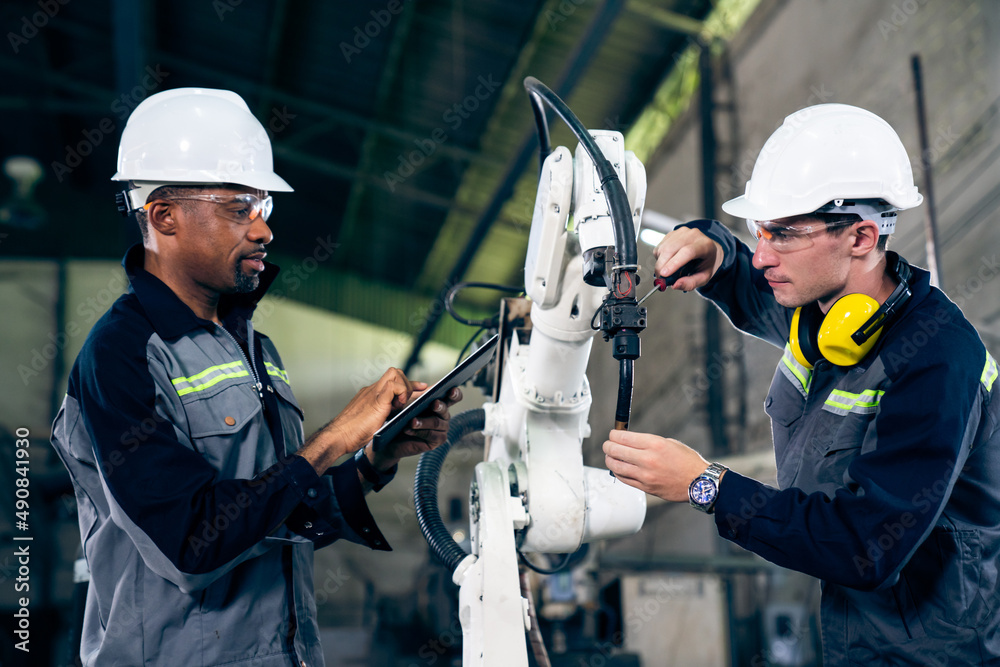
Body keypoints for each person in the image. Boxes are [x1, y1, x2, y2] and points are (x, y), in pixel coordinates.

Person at [49, 87, 461, 667]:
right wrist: (334, 437)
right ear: (164, 216)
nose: (263, 231)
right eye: (239, 209)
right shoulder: (121, 356)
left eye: (263, 208)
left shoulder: (253, 349)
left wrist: (374, 458)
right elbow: (192, 542)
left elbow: (278, 511)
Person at [603, 103, 1000, 665]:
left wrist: (704, 484)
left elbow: (866, 547)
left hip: (935, 653)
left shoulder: (938, 360)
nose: (763, 255)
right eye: (758, 230)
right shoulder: (820, 307)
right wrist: (716, 249)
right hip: (847, 635)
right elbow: (750, 282)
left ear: (862, 236)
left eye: (784, 234)